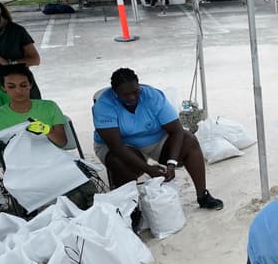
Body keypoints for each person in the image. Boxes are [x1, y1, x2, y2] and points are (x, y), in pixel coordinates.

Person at [92, 68, 223, 213]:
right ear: (115, 93)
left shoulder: (152, 96)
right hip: (122, 145)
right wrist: (148, 169)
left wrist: (171, 163)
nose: (132, 97)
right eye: (126, 95)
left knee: (189, 140)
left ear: (139, 86)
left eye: (136, 92)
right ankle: (132, 210)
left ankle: (202, 195)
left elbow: (177, 131)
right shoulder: (103, 106)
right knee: (119, 162)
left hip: (156, 140)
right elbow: (116, 147)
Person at [0, 65, 96, 210]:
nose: (18, 91)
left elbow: (62, 142)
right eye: (11, 86)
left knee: (87, 193)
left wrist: (47, 130)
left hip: (55, 162)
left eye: (23, 85)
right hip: (20, 170)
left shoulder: (49, 107)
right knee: (63, 202)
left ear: (30, 85)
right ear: (3, 88)